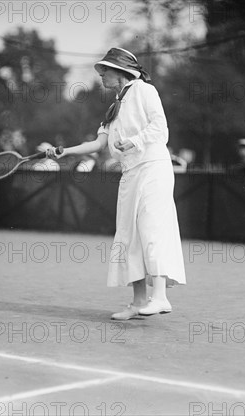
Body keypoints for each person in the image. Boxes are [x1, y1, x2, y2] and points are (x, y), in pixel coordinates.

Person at [46, 47, 186, 320]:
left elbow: (161, 128)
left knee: (151, 227)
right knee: (128, 235)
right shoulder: (114, 106)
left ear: (121, 71)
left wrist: (133, 141)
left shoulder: (146, 90)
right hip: (130, 172)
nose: (101, 76)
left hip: (153, 167)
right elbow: (98, 143)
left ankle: (160, 297)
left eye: (105, 71)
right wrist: (66, 151)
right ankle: (138, 302)